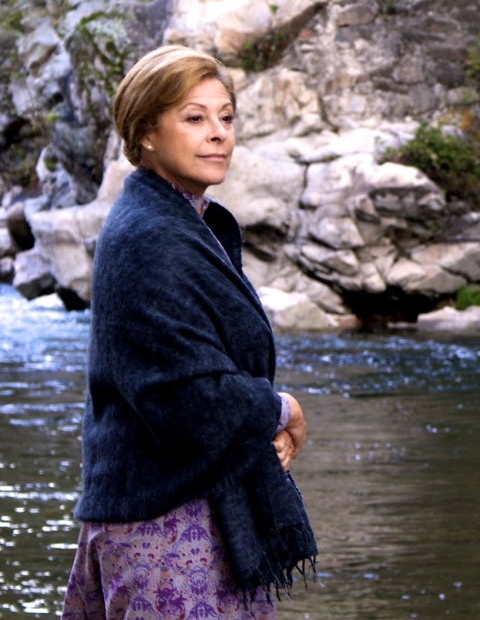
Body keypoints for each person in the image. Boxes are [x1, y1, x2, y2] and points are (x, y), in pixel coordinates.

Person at [61, 45, 317, 620]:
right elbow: (184, 395)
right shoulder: (151, 237)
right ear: (147, 132)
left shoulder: (183, 222)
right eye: (195, 118)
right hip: (167, 530)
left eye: (226, 117)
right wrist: (281, 409)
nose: (219, 133)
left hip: (178, 508)